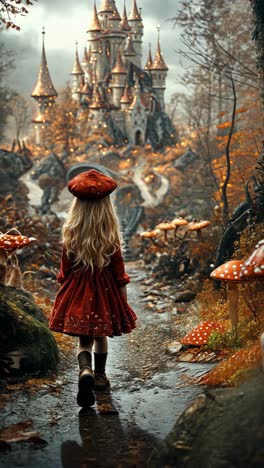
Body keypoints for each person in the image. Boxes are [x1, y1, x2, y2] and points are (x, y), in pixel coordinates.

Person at [49, 169, 137, 408]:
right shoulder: (111, 237)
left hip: (78, 292)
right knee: (100, 337)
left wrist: (65, 290)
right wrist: (123, 302)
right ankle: (100, 376)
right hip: (105, 293)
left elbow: (65, 271)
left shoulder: (72, 235)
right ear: (106, 208)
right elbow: (119, 275)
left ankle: (84, 370)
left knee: (83, 341)